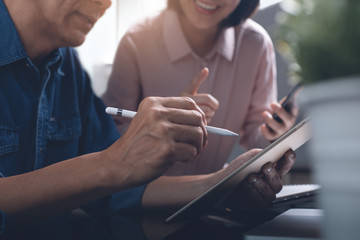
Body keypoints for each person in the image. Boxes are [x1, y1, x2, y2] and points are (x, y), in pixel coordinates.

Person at [0, 0, 296, 238]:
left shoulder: (67, 65)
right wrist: (112, 164)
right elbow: (112, 169)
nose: (107, 5)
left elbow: (115, 190)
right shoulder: (138, 39)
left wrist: (220, 186)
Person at [102, 0, 299, 176]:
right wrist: (165, 124)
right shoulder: (137, 40)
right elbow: (108, 139)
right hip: (144, 196)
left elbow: (257, 140)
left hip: (212, 199)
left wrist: (274, 136)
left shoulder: (256, 44)